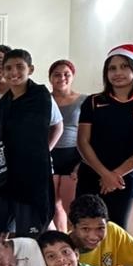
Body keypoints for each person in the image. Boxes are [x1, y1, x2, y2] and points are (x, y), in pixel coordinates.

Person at [0, 49, 63, 237]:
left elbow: (55, 126)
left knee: (31, 233)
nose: (13, 72)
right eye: (8, 68)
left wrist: (44, 152)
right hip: (4, 175)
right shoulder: (1, 105)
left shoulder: (40, 97)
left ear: (30, 69)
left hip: (32, 174)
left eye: (19, 67)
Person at [76, 44, 133, 227]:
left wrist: (115, 175)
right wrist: (104, 174)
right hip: (91, 173)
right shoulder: (93, 101)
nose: (117, 72)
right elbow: (83, 142)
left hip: (125, 176)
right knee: (85, 228)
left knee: (117, 229)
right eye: (112, 68)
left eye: (124, 66)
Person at [49, 60, 86, 232]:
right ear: (50, 78)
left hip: (73, 156)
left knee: (71, 207)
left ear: (73, 76)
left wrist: (82, 162)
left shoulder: (84, 100)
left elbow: (89, 134)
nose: (61, 78)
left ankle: (76, 241)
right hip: (50, 153)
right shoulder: (44, 99)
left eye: (66, 74)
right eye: (57, 74)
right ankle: (61, 239)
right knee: (53, 206)